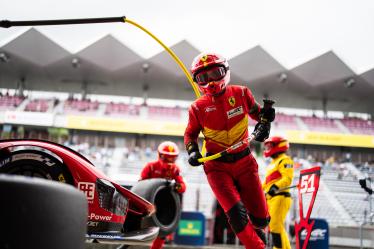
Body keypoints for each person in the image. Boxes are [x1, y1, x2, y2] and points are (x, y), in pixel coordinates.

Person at [184, 52, 275, 249]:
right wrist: (192, 151)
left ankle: (262, 235)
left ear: (225, 71)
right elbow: (190, 135)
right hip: (216, 167)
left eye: (216, 73)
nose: (211, 81)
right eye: (203, 78)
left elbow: (259, 115)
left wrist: (266, 120)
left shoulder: (242, 93)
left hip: (245, 163)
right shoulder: (197, 108)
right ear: (197, 81)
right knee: (236, 214)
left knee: (261, 219)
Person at [139, 141, 186, 249]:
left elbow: (183, 186)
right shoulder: (150, 167)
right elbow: (140, 185)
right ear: (160, 156)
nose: (169, 161)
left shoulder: (175, 169)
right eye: (167, 158)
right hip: (149, 204)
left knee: (162, 233)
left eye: (172, 158)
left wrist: (177, 186)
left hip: (165, 205)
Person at [262, 136, 294, 249]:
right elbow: (267, 183)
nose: (268, 148)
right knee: (276, 226)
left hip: (280, 196)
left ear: (279, 146)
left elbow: (287, 179)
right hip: (271, 198)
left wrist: (274, 188)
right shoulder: (272, 163)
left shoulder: (285, 160)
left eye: (270, 146)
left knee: (275, 225)